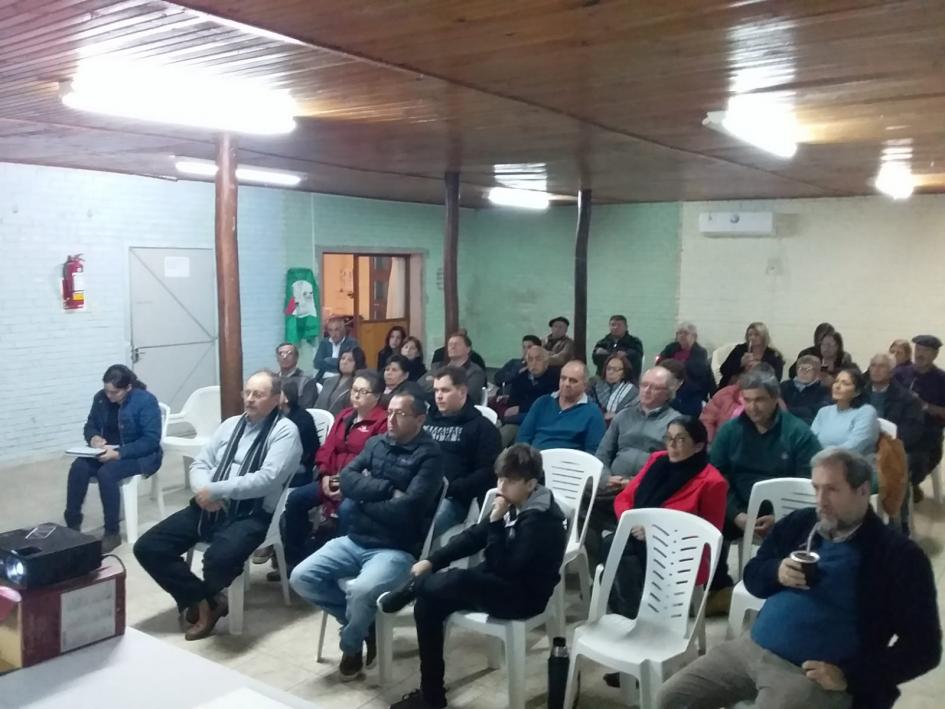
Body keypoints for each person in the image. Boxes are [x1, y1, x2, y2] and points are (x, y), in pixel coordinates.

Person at [657, 448, 942, 709]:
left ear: (862, 490)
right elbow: (754, 576)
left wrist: (848, 676)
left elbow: (925, 648)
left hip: (806, 674)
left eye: (832, 490)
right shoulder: (800, 524)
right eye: (816, 488)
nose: (820, 501)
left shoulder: (898, 556)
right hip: (750, 648)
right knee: (670, 698)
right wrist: (776, 571)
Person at [383, 444, 568, 709]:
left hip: (524, 596)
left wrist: (495, 522)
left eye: (510, 480)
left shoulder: (541, 522)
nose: (501, 486)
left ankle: (415, 587)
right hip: (499, 580)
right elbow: (473, 538)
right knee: (428, 604)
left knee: (457, 580)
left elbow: (506, 566)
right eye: (500, 478)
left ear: (530, 484)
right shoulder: (514, 502)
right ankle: (431, 695)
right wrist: (431, 560)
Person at [134, 370, 302, 640]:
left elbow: (266, 480)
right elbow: (201, 462)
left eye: (258, 394)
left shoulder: (285, 432)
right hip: (209, 504)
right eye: (247, 393)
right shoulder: (231, 425)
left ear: (275, 399)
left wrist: (215, 489)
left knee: (219, 558)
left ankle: (202, 600)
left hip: (252, 514)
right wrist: (203, 490)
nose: (249, 399)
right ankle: (206, 601)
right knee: (148, 547)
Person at [289, 385, 442, 681]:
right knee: (301, 576)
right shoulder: (376, 444)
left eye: (402, 413)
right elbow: (347, 479)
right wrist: (385, 490)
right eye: (391, 412)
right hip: (355, 538)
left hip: (396, 549)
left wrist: (360, 501)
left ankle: (350, 644)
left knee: (360, 590)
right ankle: (364, 625)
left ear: (420, 419)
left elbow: (408, 509)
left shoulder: (430, 457)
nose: (393, 419)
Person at [707, 367, 821, 612]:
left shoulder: (797, 432)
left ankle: (787, 592)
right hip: (739, 506)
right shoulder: (730, 430)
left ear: (774, 398)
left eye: (759, 400)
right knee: (706, 514)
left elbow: (810, 482)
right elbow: (716, 475)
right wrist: (736, 514)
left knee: (809, 531)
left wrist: (781, 518)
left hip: (786, 511)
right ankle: (717, 588)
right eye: (747, 400)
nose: (753, 407)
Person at [275, 370, 387, 580]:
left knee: (346, 510)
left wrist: (348, 484)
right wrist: (325, 475)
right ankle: (297, 560)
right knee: (296, 499)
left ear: (377, 396)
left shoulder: (382, 422)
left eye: (363, 391)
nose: (356, 395)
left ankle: (337, 567)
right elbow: (327, 449)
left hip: (358, 485)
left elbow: (374, 461)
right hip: (331, 478)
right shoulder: (344, 416)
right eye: (354, 390)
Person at [65, 364, 163, 553]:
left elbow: (151, 441)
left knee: (107, 473)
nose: (109, 396)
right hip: (106, 450)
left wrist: (119, 454)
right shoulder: (100, 399)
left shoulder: (145, 401)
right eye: (106, 391)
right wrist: (93, 438)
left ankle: (112, 532)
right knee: (79, 466)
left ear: (128, 388)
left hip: (140, 454)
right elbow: (90, 425)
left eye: (114, 392)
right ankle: (72, 523)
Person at [424, 367, 502, 537]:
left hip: (452, 499)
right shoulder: (425, 420)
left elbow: (486, 472)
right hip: (417, 490)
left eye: (445, 390)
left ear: (462, 392)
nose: (438, 396)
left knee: (421, 528)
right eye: (436, 390)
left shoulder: (482, 428)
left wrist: (450, 489)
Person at [895, 334, 945, 500]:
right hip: (899, 430)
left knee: (916, 460)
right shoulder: (900, 373)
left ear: (935, 355)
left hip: (928, 433)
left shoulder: (941, 379)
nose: (920, 354)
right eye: (918, 349)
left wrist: (926, 406)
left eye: (926, 350)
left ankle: (909, 485)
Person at [516, 360, 606, 453]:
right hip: (535, 462)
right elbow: (523, 437)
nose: (566, 384)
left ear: (585, 385)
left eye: (573, 380)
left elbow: (594, 452)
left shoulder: (593, 412)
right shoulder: (542, 402)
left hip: (569, 464)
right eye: (563, 378)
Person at [811, 367, 880, 459]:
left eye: (845, 383)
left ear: (857, 392)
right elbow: (811, 441)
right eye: (836, 381)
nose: (837, 386)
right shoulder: (824, 412)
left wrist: (824, 456)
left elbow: (855, 446)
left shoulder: (866, 412)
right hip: (822, 464)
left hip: (854, 466)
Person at [500, 345, 560, 447]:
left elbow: (548, 403)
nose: (534, 363)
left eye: (538, 359)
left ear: (546, 362)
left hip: (544, 423)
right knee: (501, 436)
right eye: (530, 359)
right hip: (519, 422)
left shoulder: (556, 377)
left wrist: (522, 407)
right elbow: (512, 403)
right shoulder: (521, 378)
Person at [864, 353, 923, 449]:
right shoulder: (859, 395)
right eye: (873, 365)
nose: (876, 370)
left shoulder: (908, 399)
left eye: (882, 366)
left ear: (891, 372)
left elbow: (911, 433)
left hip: (891, 448)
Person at [700, 358, 766, 443]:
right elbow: (706, 419)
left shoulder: (773, 402)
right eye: (749, 372)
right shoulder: (726, 394)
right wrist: (712, 443)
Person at [656, 321, 716, 403]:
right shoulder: (671, 347)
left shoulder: (700, 352)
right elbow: (660, 363)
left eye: (686, 333)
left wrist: (671, 366)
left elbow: (694, 369)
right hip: (668, 384)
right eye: (679, 333)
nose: (682, 336)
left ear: (694, 337)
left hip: (690, 388)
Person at [719, 321, 785, 386]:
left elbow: (776, 379)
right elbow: (723, 370)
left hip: (759, 390)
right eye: (749, 335)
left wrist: (760, 367)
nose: (752, 338)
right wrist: (740, 363)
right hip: (732, 387)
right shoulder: (740, 349)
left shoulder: (774, 355)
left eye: (756, 335)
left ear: (764, 336)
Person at [314, 348, 367, 416]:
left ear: (358, 363)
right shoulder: (329, 381)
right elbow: (317, 405)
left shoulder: (358, 385)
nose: (344, 362)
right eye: (342, 358)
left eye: (350, 360)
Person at [781, 354, 831, 425]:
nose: (804, 372)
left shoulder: (823, 390)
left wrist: (787, 410)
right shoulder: (784, 386)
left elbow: (817, 411)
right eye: (801, 369)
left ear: (817, 372)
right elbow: (776, 407)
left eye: (808, 369)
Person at [592, 314, 643, 382]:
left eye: (619, 325)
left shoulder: (634, 342)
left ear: (626, 327)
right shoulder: (603, 342)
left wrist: (625, 354)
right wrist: (613, 355)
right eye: (613, 325)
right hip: (603, 379)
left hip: (628, 380)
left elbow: (637, 355)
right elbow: (595, 359)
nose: (615, 327)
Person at [590, 352, 639, 423]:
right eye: (608, 368)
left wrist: (616, 415)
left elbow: (633, 413)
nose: (610, 372)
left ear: (624, 373)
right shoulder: (594, 385)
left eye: (615, 369)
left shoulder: (632, 391)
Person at [313, 317, 360, 383]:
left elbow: (350, 365)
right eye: (330, 330)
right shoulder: (324, 343)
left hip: (343, 378)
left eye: (336, 330)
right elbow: (317, 363)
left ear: (343, 330)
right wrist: (338, 362)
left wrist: (328, 360)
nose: (333, 334)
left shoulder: (351, 343)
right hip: (323, 378)